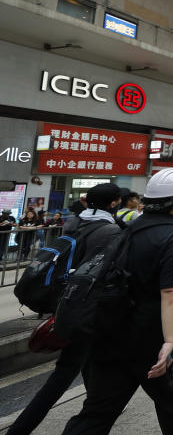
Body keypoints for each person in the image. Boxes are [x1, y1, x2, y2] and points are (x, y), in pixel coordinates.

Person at [62, 169, 173, 435]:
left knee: (96, 413)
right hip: (153, 342)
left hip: (111, 334)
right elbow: (172, 292)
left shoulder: (125, 230)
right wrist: (172, 342)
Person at [8, 184, 123, 435]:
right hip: (84, 308)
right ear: (114, 204)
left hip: (63, 303)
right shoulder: (110, 232)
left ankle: (96, 412)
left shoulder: (74, 223)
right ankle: (19, 429)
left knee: (88, 363)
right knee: (64, 374)